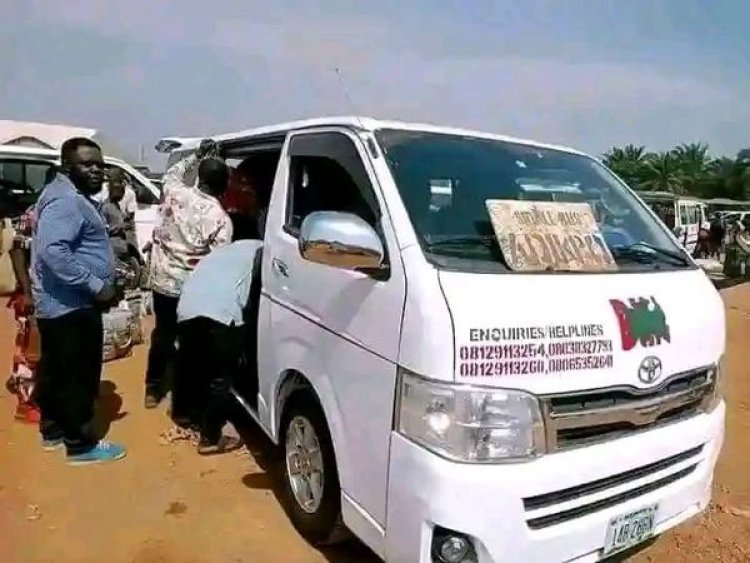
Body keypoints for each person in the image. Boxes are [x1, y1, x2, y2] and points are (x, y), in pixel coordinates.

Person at [31, 137, 125, 464]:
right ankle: (80, 444)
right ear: (67, 167)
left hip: (60, 303)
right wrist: (96, 284)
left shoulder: (64, 195)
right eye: (88, 165)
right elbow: (54, 251)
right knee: (79, 376)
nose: (97, 171)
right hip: (72, 304)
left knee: (58, 371)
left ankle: (54, 430)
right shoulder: (67, 201)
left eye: (100, 164)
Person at [145, 139, 233, 409]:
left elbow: (173, 173)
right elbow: (219, 262)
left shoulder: (175, 193)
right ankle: (184, 404)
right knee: (190, 346)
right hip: (190, 291)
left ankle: (153, 388)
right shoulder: (220, 219)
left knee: (162, 334)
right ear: (224, 186)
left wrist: (196, 156)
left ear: (201, 178)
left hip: (162, 283)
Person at [175, 239, 262, 454]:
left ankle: (189, 415)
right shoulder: (263, 252)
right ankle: (211, 438)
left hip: (186, 310)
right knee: (221, 378)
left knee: (196, 366)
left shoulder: (225, 253)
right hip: (222, 314)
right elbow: (258, 297)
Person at [6, 205, 41, 424]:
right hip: (32, 295)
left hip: (53, 297)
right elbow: (16, 248)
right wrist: (27, 292)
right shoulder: (34, 213)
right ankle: (25, 404)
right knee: (31, 352)